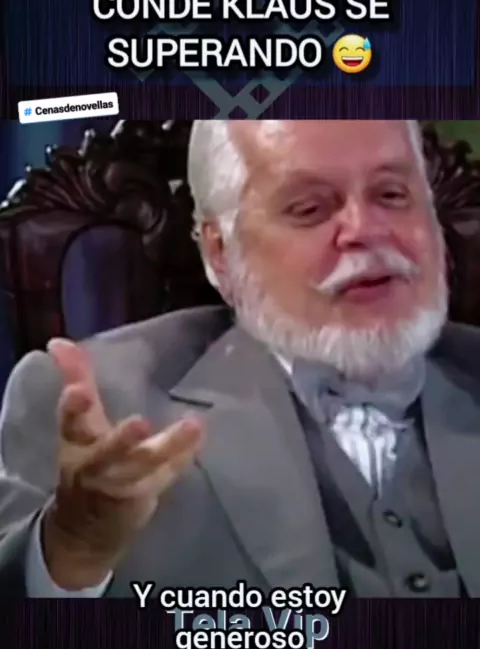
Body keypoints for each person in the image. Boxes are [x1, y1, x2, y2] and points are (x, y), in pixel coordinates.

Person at [0, 119, 479, 598]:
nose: (366, 230)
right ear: (220, 253)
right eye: (309, 209)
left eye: (392, 195)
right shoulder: (94, 400)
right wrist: (75, 548)